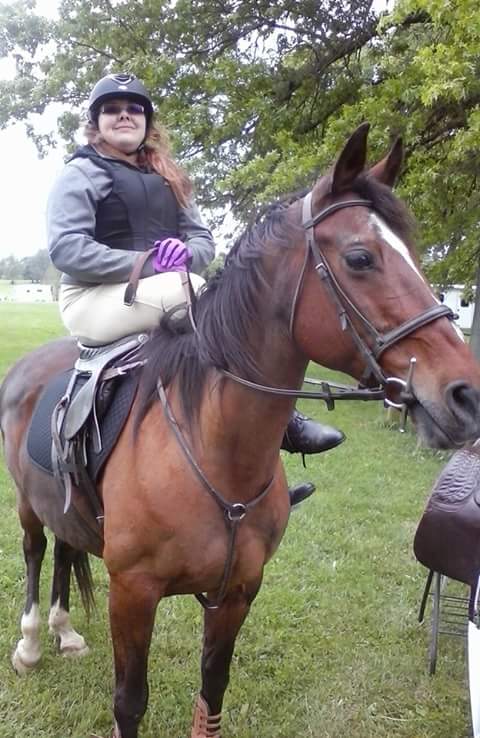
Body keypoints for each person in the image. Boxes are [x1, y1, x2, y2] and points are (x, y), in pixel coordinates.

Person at [47, 72, 344, 505]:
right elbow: (67, 249)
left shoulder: (169, 175)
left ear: (148, 122)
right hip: (93, 297)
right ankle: (287, 425)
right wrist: (146, 263)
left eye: (134, 109)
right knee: (199, 296)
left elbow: (203, 240)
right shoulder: (80, 173)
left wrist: (183, 253)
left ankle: (252, 481)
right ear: (96, 122)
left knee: (195, 292)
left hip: (168, 288)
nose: (124, 115)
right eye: (112, 109)